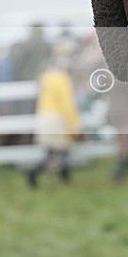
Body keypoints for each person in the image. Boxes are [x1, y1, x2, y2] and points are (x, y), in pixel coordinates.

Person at [27, 52, 80, 188]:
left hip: (44, 117)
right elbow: (67, 103)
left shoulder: (45, 79)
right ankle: (36, 173)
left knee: (53, 151)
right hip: (57, 119)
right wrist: (74, 124)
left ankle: (63, 178)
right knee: (60, 151)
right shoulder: (62, 80)